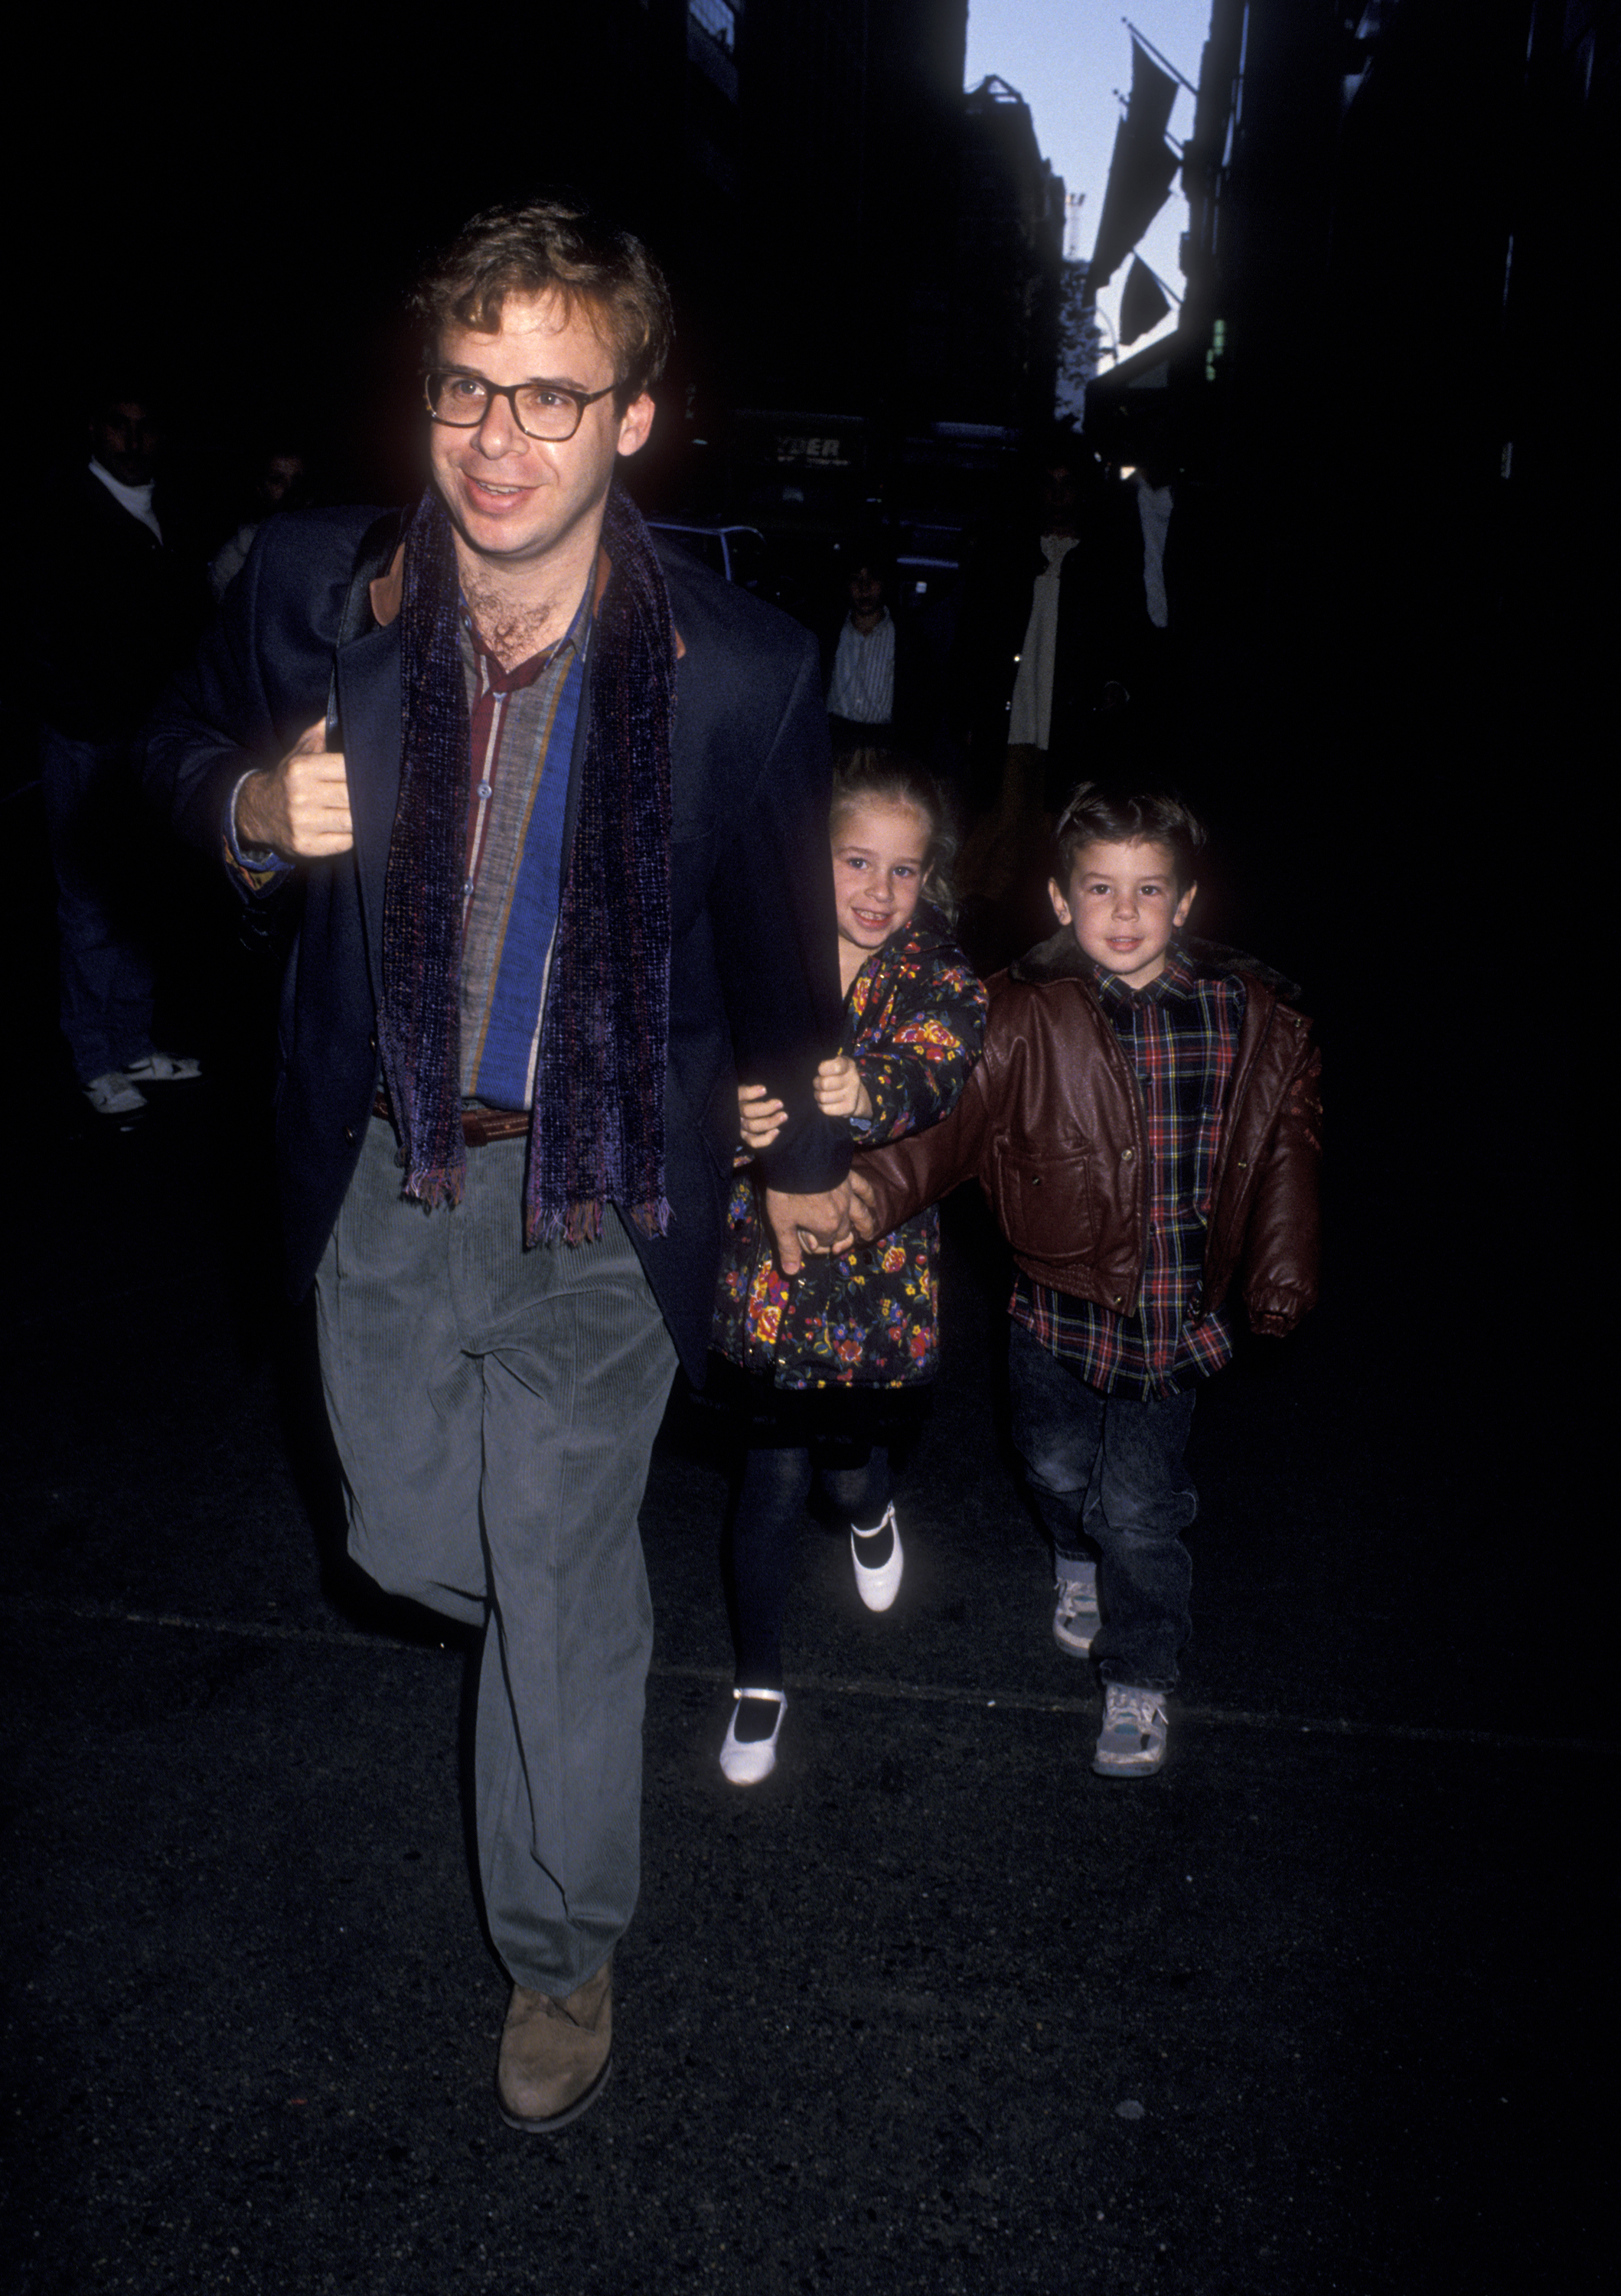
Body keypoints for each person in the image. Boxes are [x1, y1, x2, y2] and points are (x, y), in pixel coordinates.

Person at [143, 198, 855, 2134]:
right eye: (469, 384)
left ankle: (560, 1943)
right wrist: (240, 809)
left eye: (554, 395)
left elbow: (788, 940)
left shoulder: (741, 667)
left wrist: (816, 1140)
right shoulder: (322, 585)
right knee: (393, 1541)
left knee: (552, 1570)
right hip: (387, 1159)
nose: (500, 437)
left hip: (601, 1183)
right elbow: (170, 741)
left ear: (633, 420)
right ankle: (562, 1616)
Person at [849, 782, 1321, 1777]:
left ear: (1184, 905)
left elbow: (1283, 1145)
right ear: (1060, 903)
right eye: (1098, 889)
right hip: (1053, 1312)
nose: (1122, 912)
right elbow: (945, 1134)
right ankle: (1073, 1557)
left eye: (1148, 891)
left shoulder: (1244, 1014)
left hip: (1178, 1320)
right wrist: (855, 1198)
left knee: (1141, 1511)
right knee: (1057, 1471)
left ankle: (1139, 1676)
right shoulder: (1019, 1013)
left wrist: (1281, 1265)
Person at [709, 750, 987, 1784]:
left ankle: (870, 1509)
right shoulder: (759, 956)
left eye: (903, 871)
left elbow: (936, 1064)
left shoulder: (937, 975)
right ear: (806, 859)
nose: (878, 891)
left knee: (844, 1462)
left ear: (930, 880)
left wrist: (864, 1091)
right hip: (766, 1275)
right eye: (854, 862)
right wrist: (726, 1119)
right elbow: (693, 1059)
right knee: (771, 1471)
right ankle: (758, 1682)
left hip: (871, 1278)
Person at [37, 386, 209, 1114]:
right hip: (88, 734)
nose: (133, 442)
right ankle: (95, 1058)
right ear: (94, 428)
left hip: (150, 737)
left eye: (146, 428)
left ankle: (133, 1045)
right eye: (119, 426)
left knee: (140, 897)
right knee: (87, 903)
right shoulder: (63, 512)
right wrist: (82, 709)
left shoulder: (174, 508)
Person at [821, 552, 936, 755]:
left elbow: (920, 705)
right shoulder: (828, 632)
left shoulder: (907, 638)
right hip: (834, 739)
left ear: (884, 583)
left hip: (884, 745)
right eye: (856, 579)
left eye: (872, 579)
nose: (864, 588)